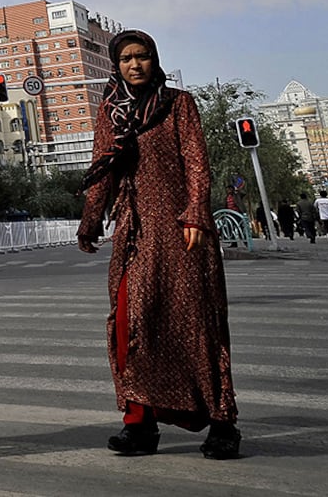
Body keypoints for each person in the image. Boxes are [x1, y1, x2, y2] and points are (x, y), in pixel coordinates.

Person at [77, 29, 239, 460]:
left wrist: (196, 213)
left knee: (197, 325)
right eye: (126, 58)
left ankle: (222, 422)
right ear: (116, 65)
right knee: (133, 324)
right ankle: (139, 425)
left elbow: (197, 163)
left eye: (142, 57)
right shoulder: (109, 111)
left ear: (155, 60)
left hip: (182, 231)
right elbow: (102, 170)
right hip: (134, 232)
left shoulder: (178, 104)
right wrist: (90, 221)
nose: (135, 65)